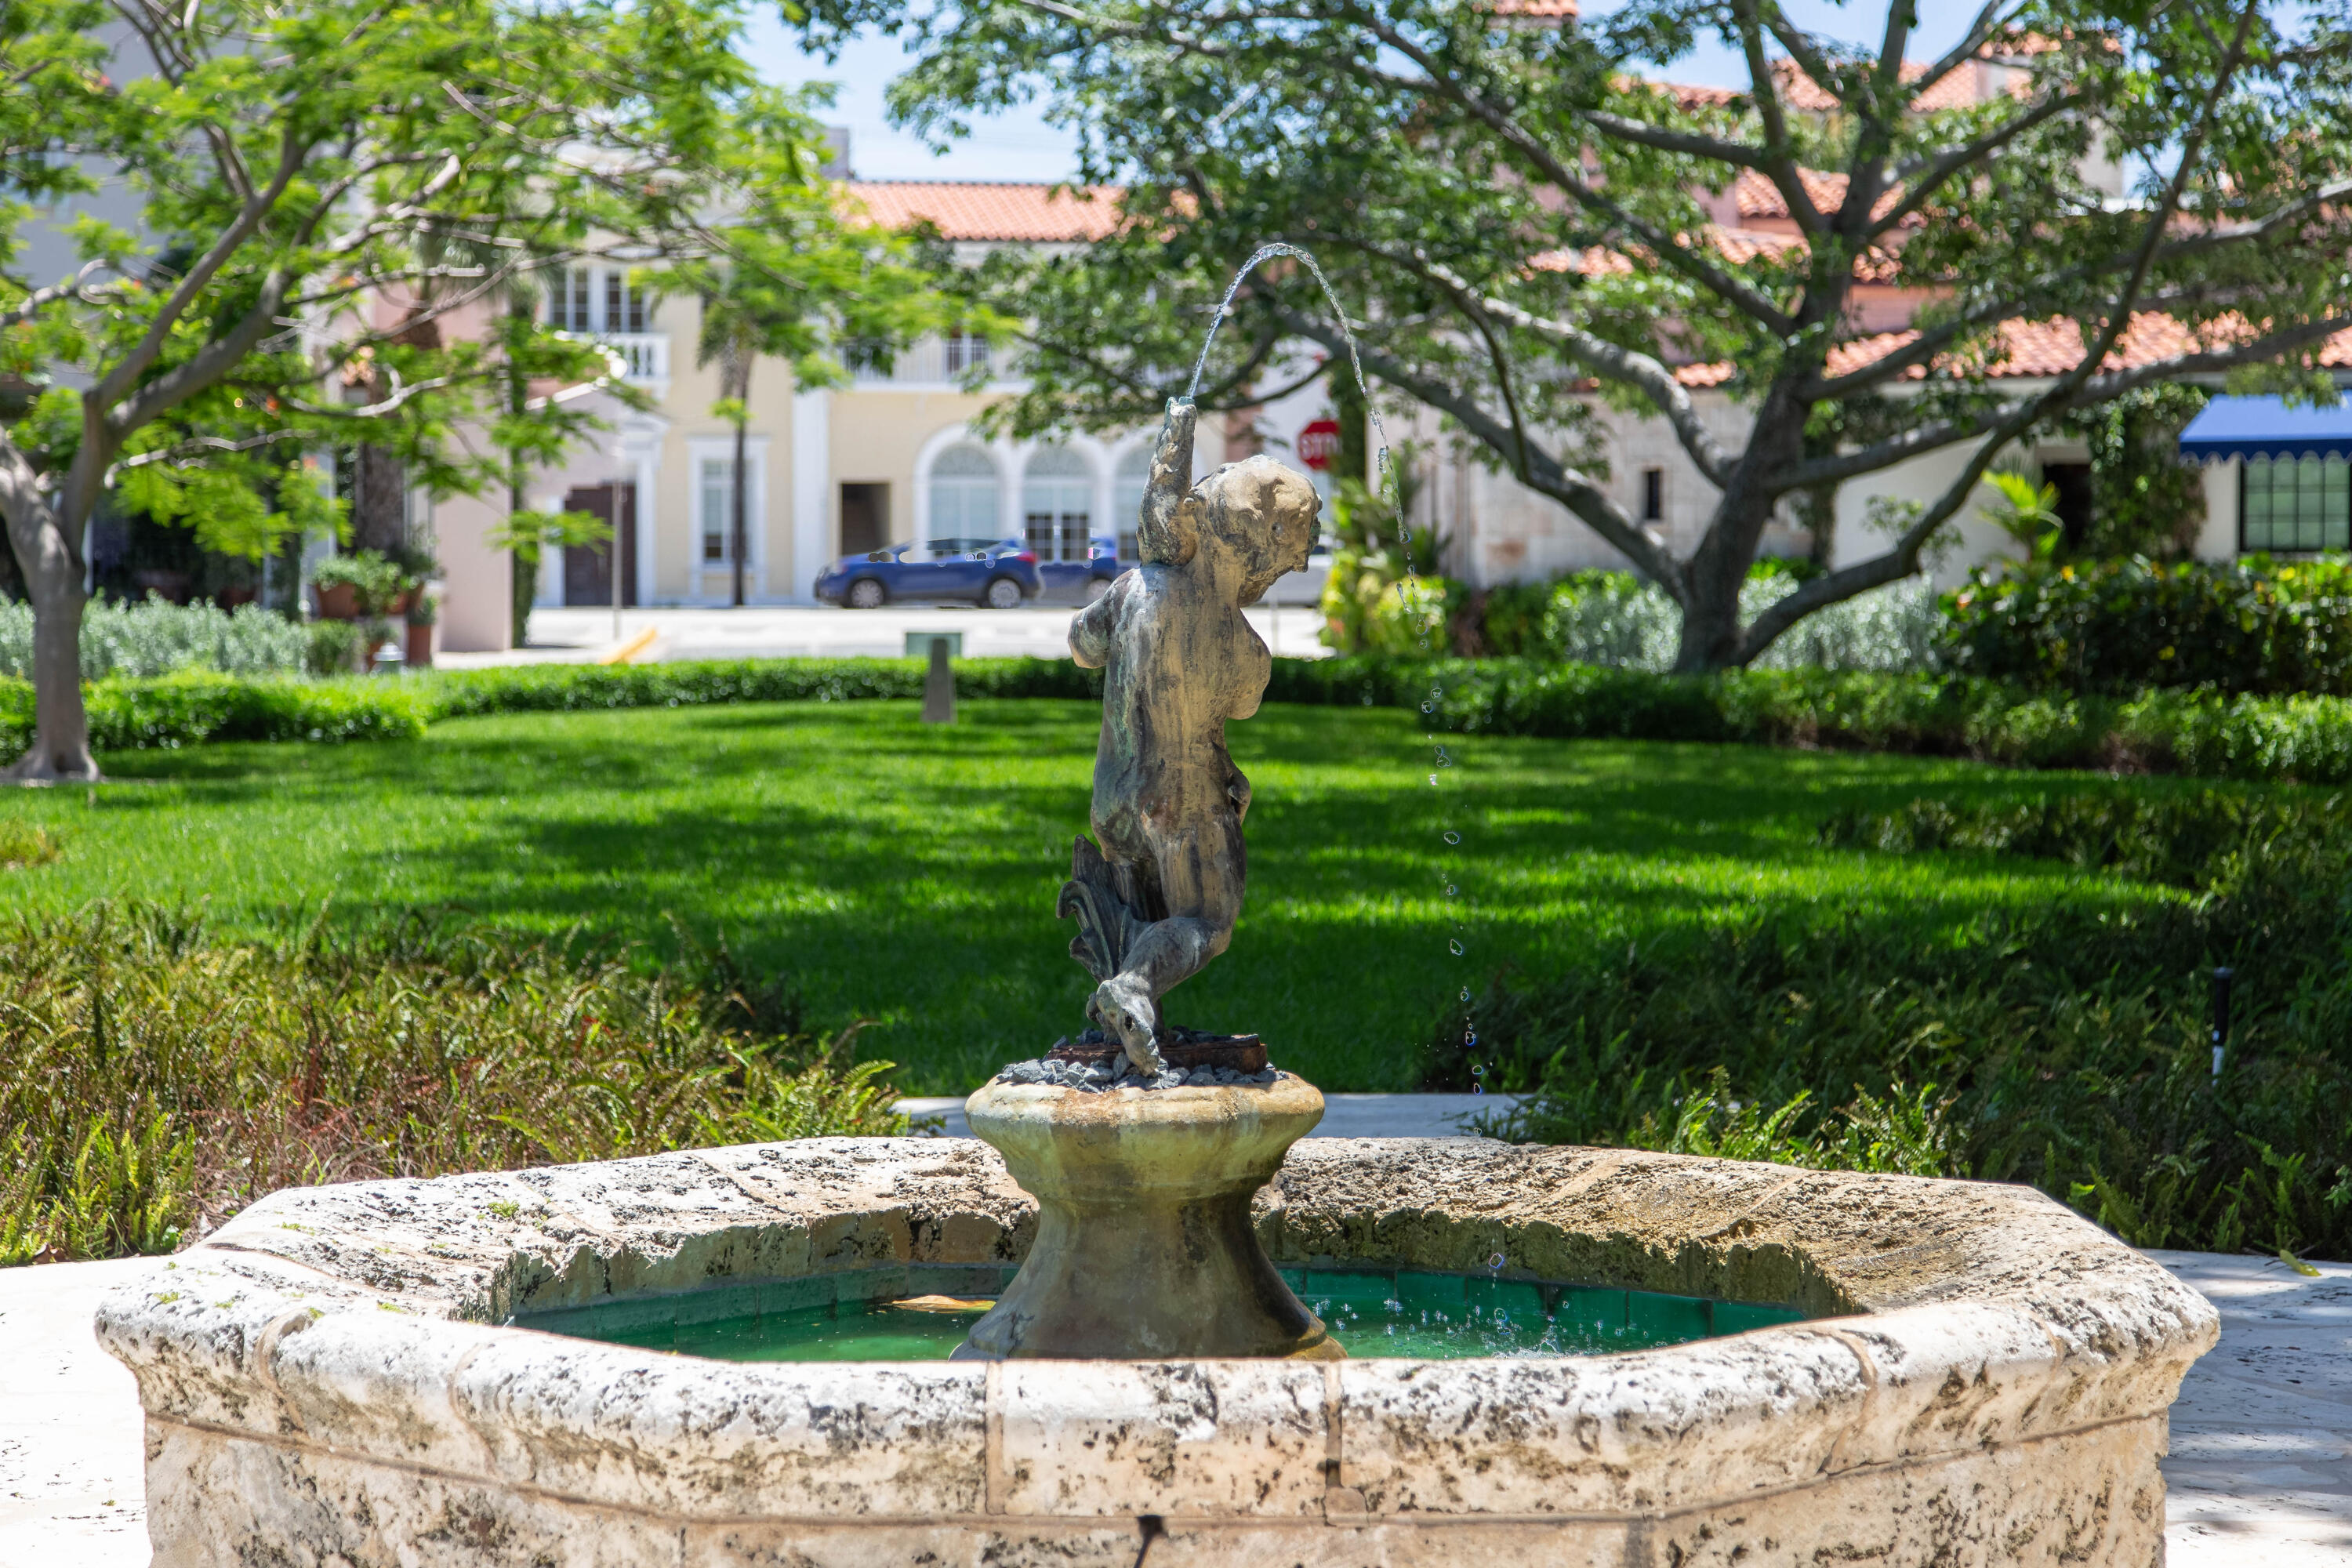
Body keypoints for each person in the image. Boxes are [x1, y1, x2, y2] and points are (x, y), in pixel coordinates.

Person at [1065, 398, 1319, 1073]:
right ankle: (1135, 992)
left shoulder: (1135, 587)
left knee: (1144, 916)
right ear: (1261, 553)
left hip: (1114, 799)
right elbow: (1227, 716)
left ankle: (1122, 1033)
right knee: (1208, 923)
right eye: (1287, 559)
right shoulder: (1246, 653)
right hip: (1186, 808)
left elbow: (1082, 646)